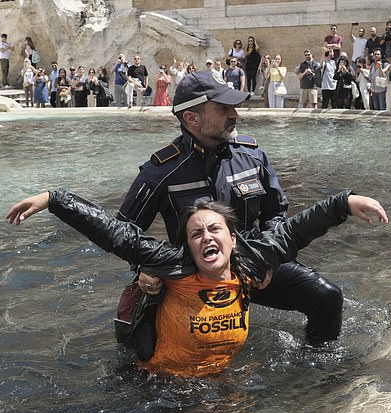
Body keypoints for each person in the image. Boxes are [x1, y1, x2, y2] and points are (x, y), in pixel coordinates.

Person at [7, 188, 387, 378]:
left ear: (232, 239)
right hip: (159, 387)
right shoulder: (174, 266)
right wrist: (54, 200)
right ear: (188, 246)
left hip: (221, 380)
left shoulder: (249, 261)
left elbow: (295, 229)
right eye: (196, 233)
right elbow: (116, 234)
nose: (207, 237)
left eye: (215, 230)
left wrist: (345, 203)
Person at [106, 71, 350, 361]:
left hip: (253, 266)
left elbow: (275, 212)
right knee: (145, 353)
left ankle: (316, 370)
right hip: (190, 276)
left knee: (327, 297)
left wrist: (269, 260)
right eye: (223, 109)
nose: (234, 114)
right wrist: (144, 269)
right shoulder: (161, 171)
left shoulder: (252, 155)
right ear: (191, 119)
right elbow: (122, 232)